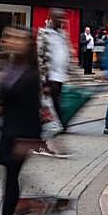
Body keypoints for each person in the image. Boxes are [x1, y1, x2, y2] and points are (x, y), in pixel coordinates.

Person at [0, 26, 43, 215]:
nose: (11, 41)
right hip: (6, 131)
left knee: (11, 179)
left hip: (20, 135)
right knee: (11, 178)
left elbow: (33, 109)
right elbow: (3, 101)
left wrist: (29, 140)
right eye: (10, 38)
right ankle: (28, 206)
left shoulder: (30, 73)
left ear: (27, 44)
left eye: (17, 39)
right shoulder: (12, 67)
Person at [36, 10, 72, 157]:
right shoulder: (44, 34)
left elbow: (66, 54)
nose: (61, 21)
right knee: (53, 111)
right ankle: (57, 144)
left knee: (49, 112)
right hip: (50, 79)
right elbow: (40, 57)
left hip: (60, 78)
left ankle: (39, 141)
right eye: (58, 18)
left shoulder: (62, 35)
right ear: (50, 19)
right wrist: (44, 81)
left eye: (62, 18)